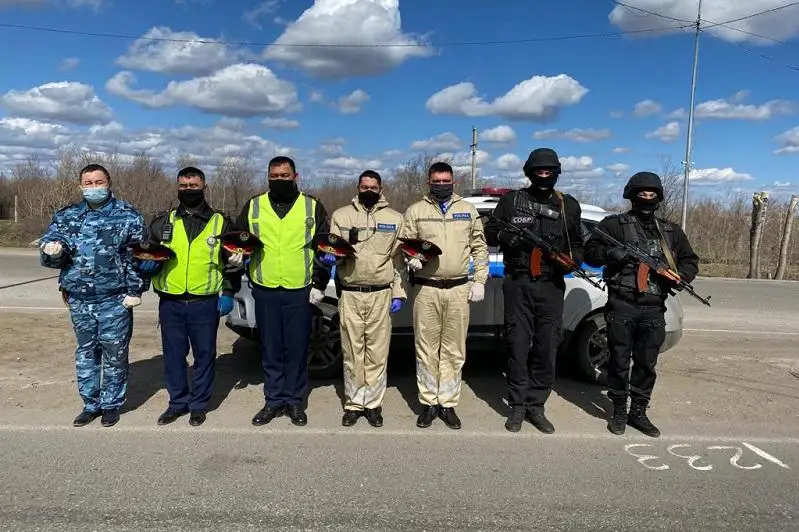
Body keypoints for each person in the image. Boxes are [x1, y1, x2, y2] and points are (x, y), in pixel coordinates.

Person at [584, 171, 698, 437]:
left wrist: (681, 276)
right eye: (642, 193)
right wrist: (611, 254)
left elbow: (690, 261)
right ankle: (619, 410)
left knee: (647, 363)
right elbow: (589, 253)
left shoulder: (670, 231)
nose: (647, 197)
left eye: (652, 193)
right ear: (631, 195)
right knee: (620, 360)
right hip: (622, 304)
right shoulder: (614, 226)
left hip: (654, 306)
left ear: (659, 197)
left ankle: (639, 411)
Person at [484, 148, 584, 434]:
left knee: (547, 346)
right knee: (517, 345)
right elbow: (489, 232)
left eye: (548, 171)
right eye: (539, 171)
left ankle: (536, 405)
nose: (544, 175)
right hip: (518, 282)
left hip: (551, 285)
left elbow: (577, 243)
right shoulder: (512, 201)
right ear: (529, 172)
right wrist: (508, 238)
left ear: (556, 173)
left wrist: (571, 260)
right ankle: (517, 405)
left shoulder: (568, 206)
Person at [39, 163, 146, 428]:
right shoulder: (68, 216)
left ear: (108, 183)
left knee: (115, 353)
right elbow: (52, 254)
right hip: (79, 299)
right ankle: (90, 404)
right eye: (88, 183)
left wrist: (135, 291)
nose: (93, 187)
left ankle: (111, 405)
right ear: (81, 186)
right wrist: (53, 251)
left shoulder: (128, 215)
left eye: (99, 182)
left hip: (115, 299)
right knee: (86, 353)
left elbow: (139, 257)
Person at [136, 167, 243, 427]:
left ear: (204, 187)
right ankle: (177, 403)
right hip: (171, 302)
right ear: (177, 187)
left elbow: (231, 263)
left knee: (204, 355)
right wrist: (147, 267)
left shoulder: (221, 222)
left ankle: (198, 405)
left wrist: (228, 291)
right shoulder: (162, 222)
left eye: (193, 185)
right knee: (174, 356)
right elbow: (146, 253)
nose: (188, 189)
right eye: (183, 185)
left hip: (204, 302)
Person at [237, 156, 332, 427]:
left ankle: (294, 401)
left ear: (296, 176)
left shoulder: (312, 207)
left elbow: (324, 250)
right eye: (275, 176)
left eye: (285, 175)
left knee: (297, 348)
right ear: (268, 177)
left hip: (299, 291)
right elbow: (238, 239)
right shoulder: (254, 205)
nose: (280, 180)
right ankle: (273, 400)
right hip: (265, 289)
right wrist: (235, 257)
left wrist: (319, 284)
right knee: (271, 349)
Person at [399, 161, 489, 429]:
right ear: (428, 182)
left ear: (453, 182)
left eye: (445, 180)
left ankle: (448, 403)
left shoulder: (467, 210)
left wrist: (480, 280)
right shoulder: (416, 210)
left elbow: (479, 247)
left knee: (454, 350)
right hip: (427, 289)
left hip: (459, 289)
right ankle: (428, 403)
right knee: (426, 349)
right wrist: (412, 259)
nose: (441, 185)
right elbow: (406, 243)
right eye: (436, 181)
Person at [328, 170, 406, 428]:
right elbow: (333, 249)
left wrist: (398, 292)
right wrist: (331, 256)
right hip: (351, 293)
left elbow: (399, 262)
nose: (369, 191)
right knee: (352, 351)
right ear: (358, 188)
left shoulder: (395, 218)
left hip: (381, 294)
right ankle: (353, 403)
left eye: (373, 187)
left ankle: (372, 404)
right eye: (364, 187)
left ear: (381, 188)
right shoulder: (342, 216)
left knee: (377, 353)